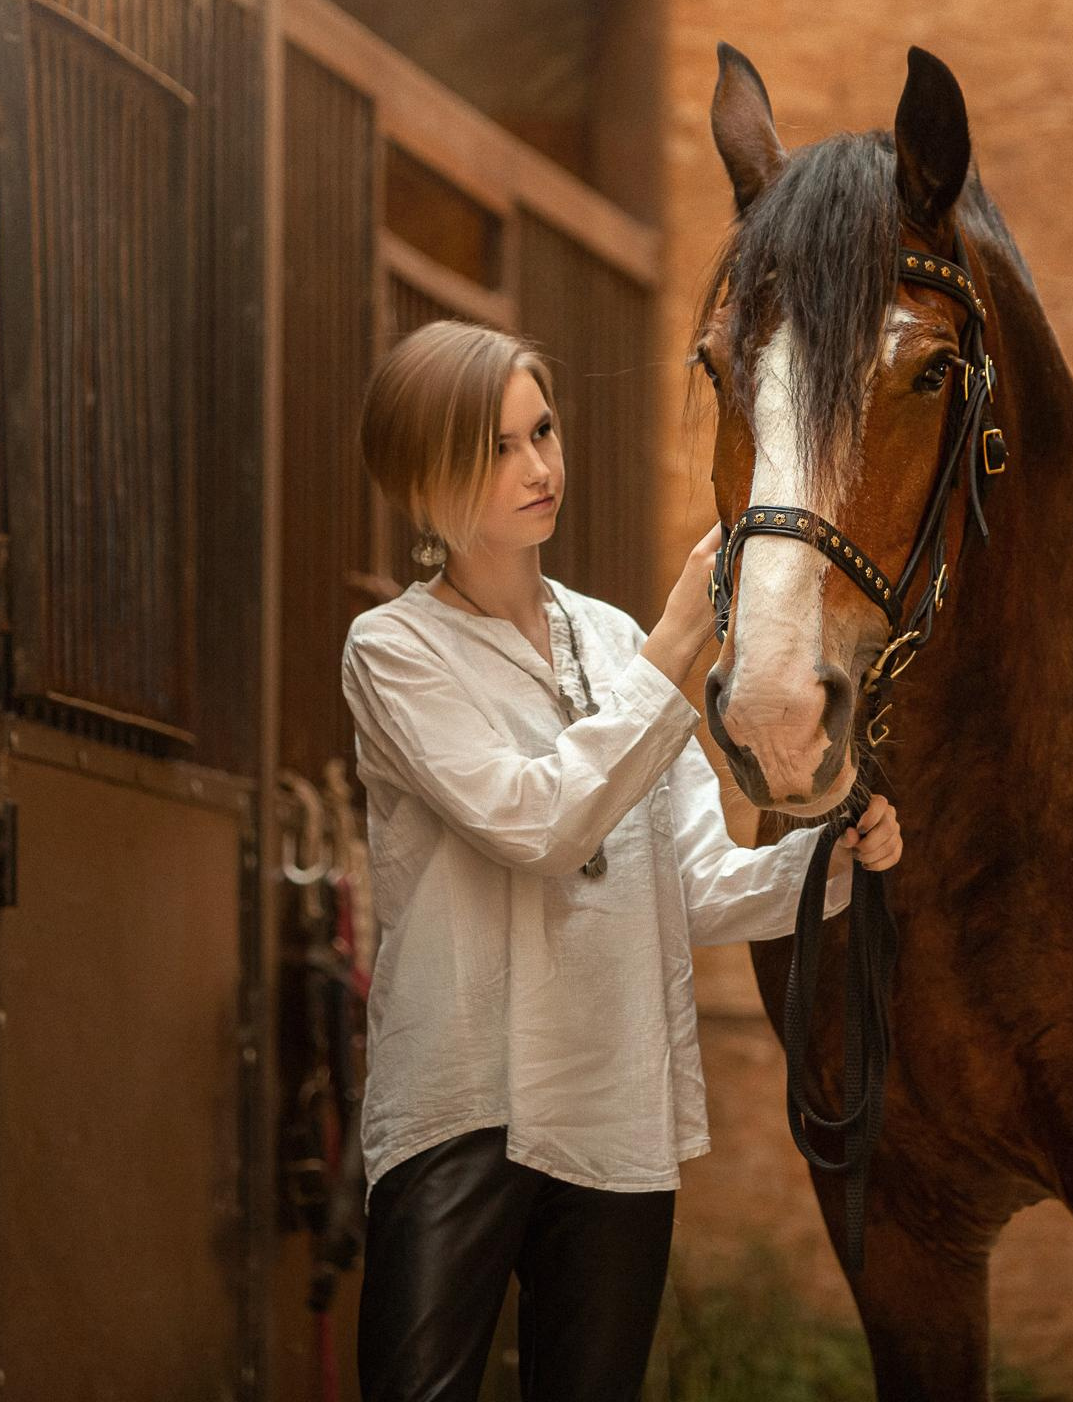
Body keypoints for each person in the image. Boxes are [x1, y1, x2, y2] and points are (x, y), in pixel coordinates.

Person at [341, 319, 902, 1400]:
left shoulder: (610, 639)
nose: (540, 466)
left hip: (611, 1108)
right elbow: (539, 824)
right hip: (461, 1106)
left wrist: (835, 862)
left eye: (541, 429)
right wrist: (680, 644)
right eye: (498, 446)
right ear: (424, 477)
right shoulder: (394, 649)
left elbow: (692, 880)